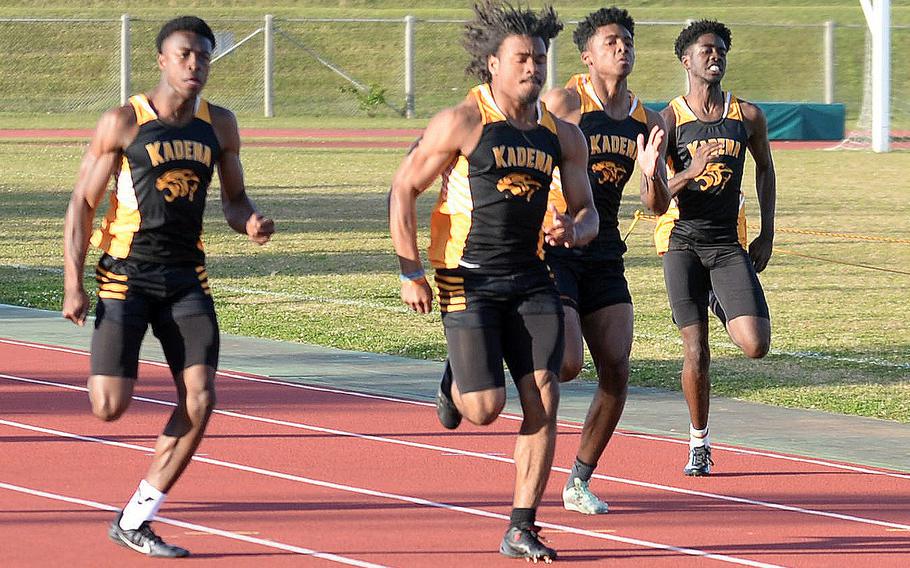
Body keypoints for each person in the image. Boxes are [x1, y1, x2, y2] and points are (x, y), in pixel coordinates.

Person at [389, 1, 598, 561]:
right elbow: (403, 189)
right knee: (482, 408)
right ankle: (456, 373)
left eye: (540, 58)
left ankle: (521, 525)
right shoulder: (462, 121)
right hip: (465, 277)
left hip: (532, 278)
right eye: (522, 59)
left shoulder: (564, 137)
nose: (534, 68)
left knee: (546, 396)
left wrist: (572, 230)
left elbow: (590, 213)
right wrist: (411, 270)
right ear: (493, 65)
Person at [62, 16, 274, 557]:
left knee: (201, 399)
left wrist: (249, 220)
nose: (195, 64)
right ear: (161, 60)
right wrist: (72, 281)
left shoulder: (219, 125)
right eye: (184, 55)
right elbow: (82, 205)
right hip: (125, 275)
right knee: (108, 407)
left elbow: (232, 199)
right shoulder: (123, 122)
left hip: (186, 279)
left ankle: (136, 517)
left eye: (203, 56)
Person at [540, 7, 669, 514]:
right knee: (568, 365)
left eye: (629, 41)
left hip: (606, 251)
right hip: (557, 246)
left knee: (616, 369)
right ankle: (500, 338)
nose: (623, 48)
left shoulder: (649, 120)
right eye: (612, 41)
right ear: (588, 54)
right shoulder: (564, 103)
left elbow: (655, 206)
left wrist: (651, 172)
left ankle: (578, 480)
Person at [655, 20, 775, 476]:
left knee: (755, 345)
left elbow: (765, 169)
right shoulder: (667, 121)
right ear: (686, 60)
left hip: (727, 243)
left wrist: (767, 231)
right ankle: (699, 443)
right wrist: (689, 172)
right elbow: (653, 195)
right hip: (682, 242)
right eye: (706, 49)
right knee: (697, 350)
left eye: (721, 49)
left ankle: (716, 295)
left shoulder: (746, 116)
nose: (715, 56)